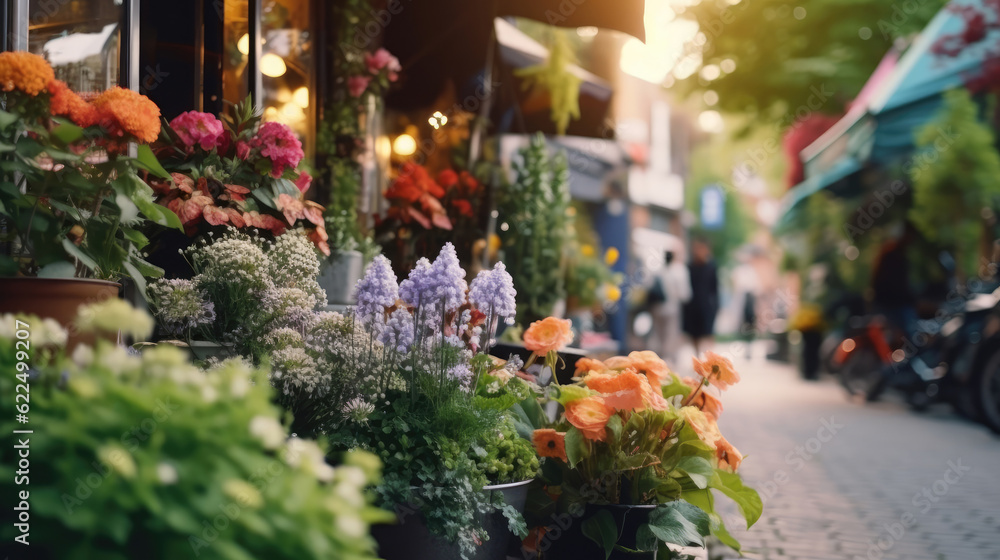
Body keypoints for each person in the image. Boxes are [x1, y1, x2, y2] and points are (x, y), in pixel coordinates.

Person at [651, 250, 691, 365]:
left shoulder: (657, 271)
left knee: (659, 333)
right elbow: (685, 294)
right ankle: (669, 357)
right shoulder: (679, 271)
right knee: (671, 333)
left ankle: (659, 356)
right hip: (673, 307)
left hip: (657, 308)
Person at [683, 239, 719, 356]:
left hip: (706, 306)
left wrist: (715, 306)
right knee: (695, 334)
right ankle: (697, 356)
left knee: (707, 333)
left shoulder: (711, 267)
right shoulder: (690, 266)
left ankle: (710, 359)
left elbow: (715, 288)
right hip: (693, 306)